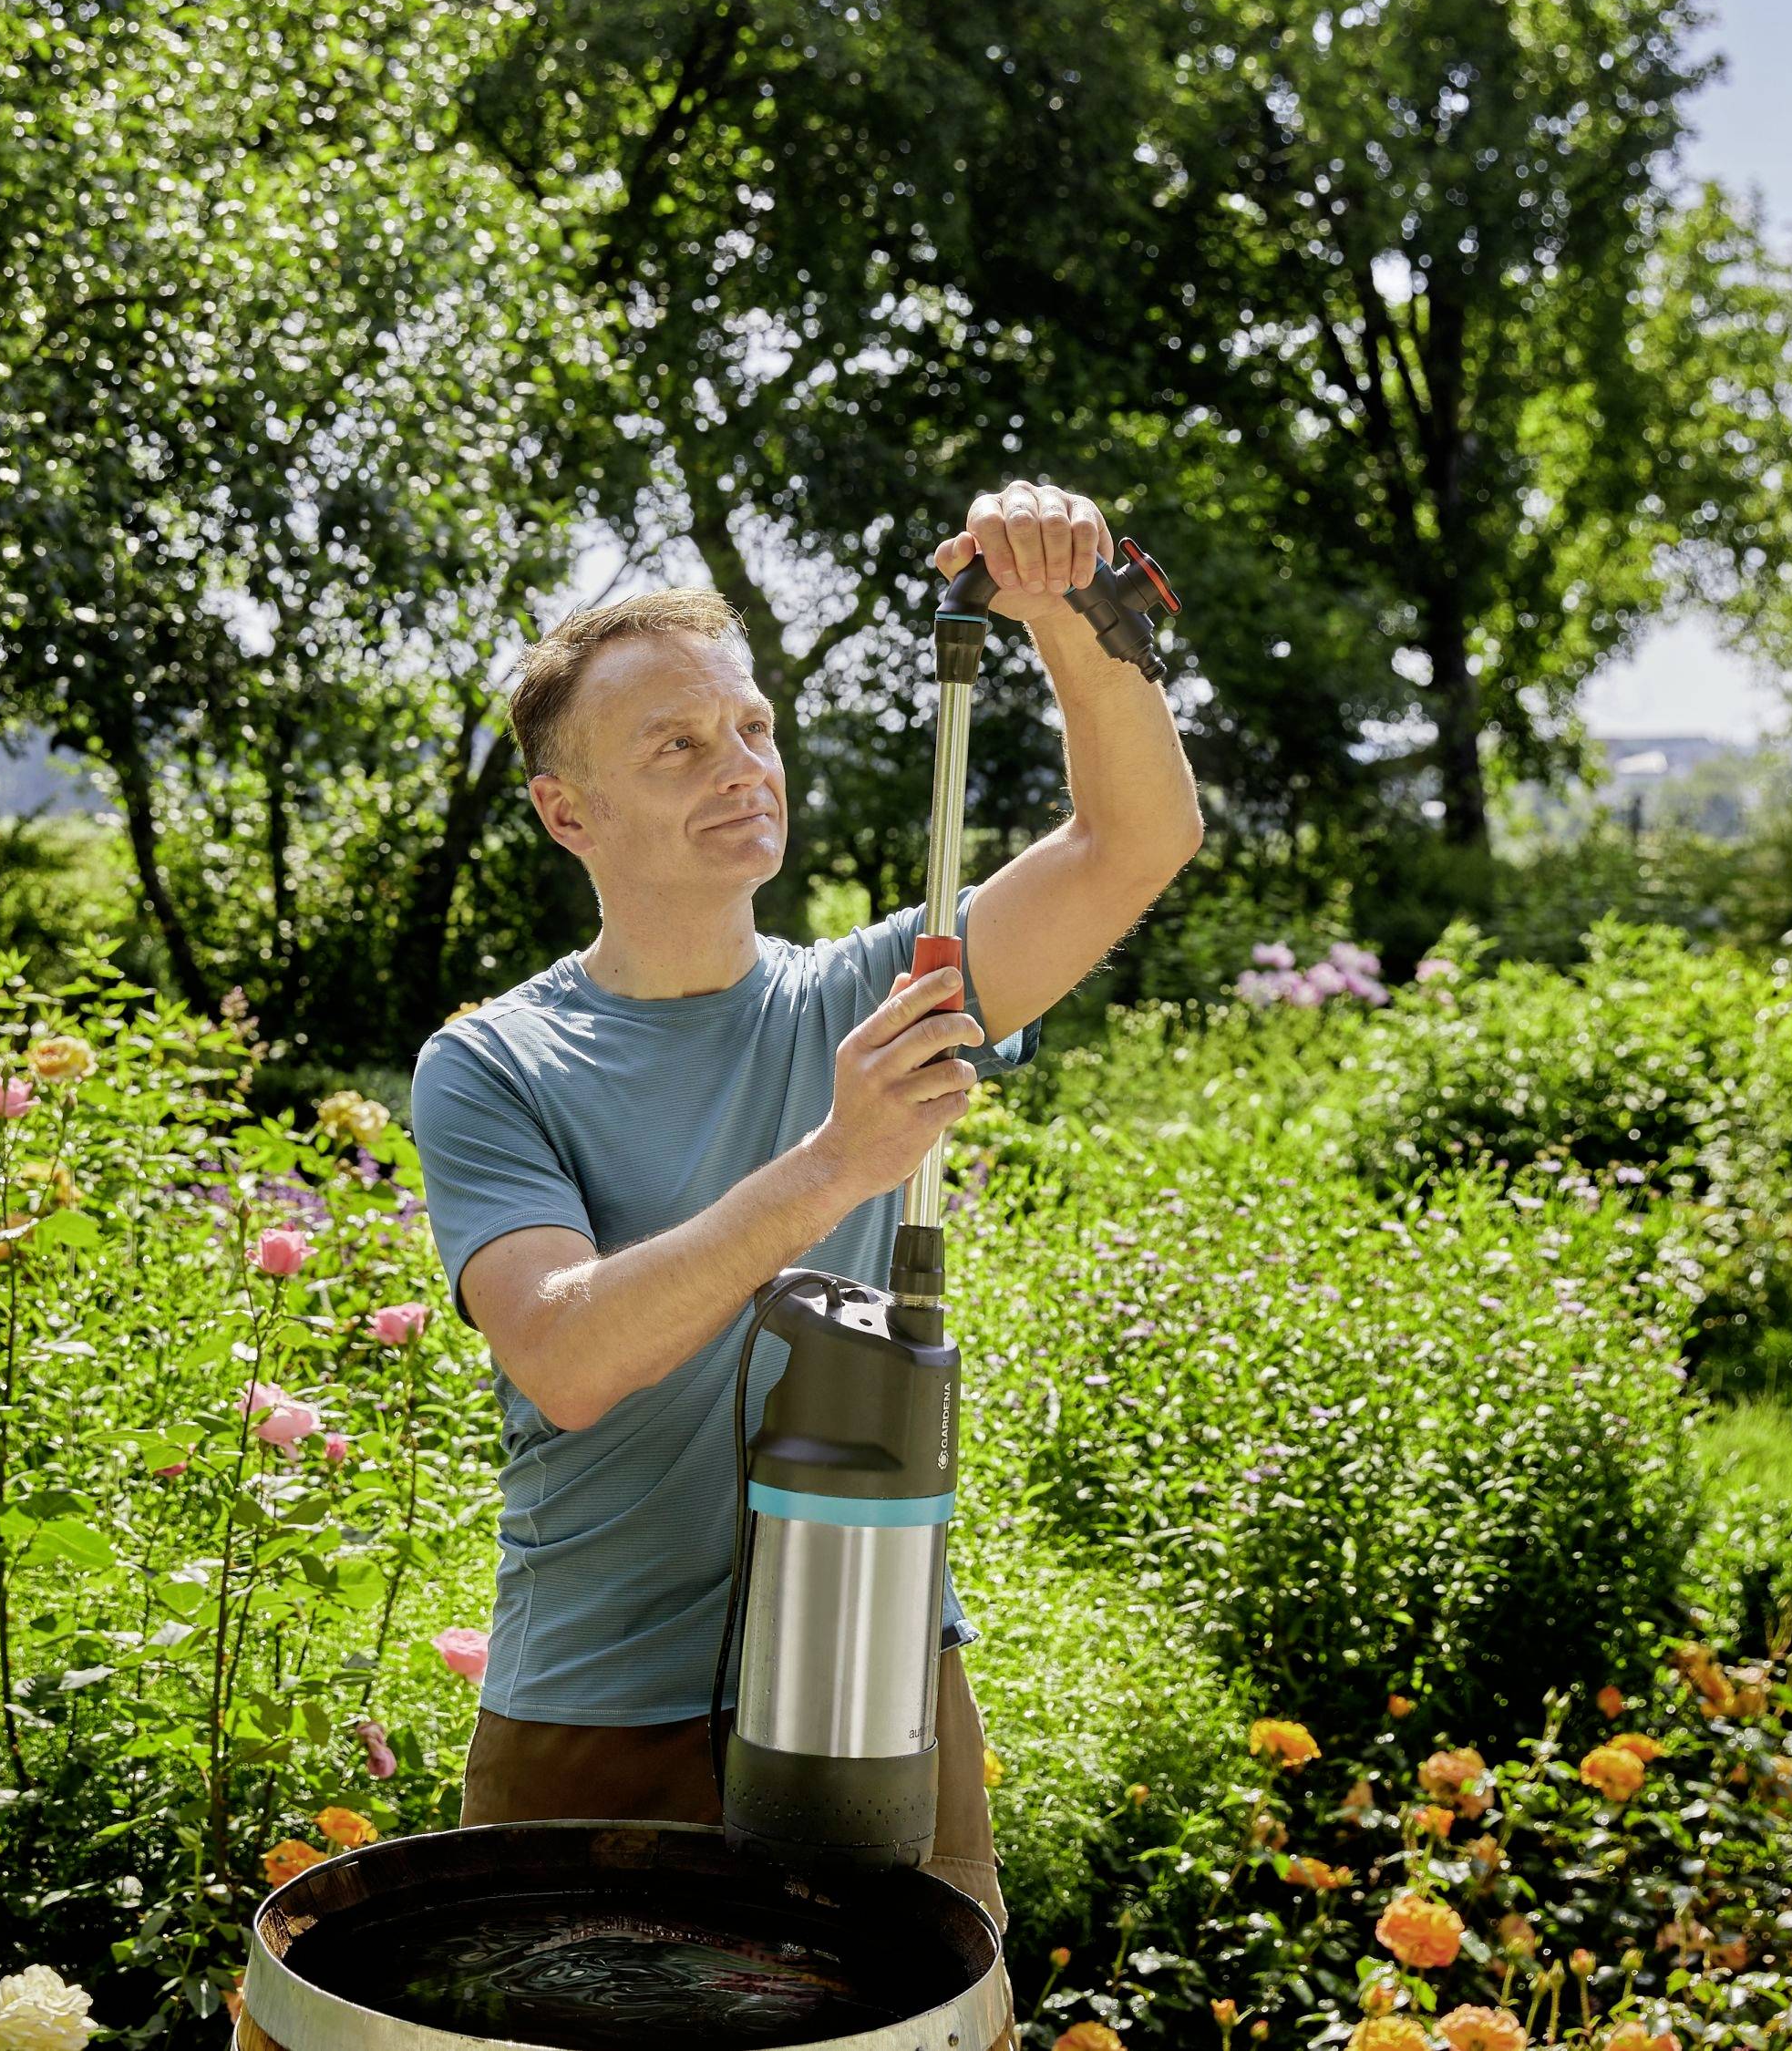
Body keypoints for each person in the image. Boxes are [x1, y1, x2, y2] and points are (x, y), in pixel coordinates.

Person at [409, 479, 1203, 1930]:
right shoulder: (492, 1063)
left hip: (877, 1686)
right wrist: (839, 1158)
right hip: (595, 1717)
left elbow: (1131, 843)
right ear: (565, 809)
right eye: (679, 744)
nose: (741, 766)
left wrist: (1070, 613)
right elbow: (568, 1356)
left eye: (754, 729)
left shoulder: (881, 990)